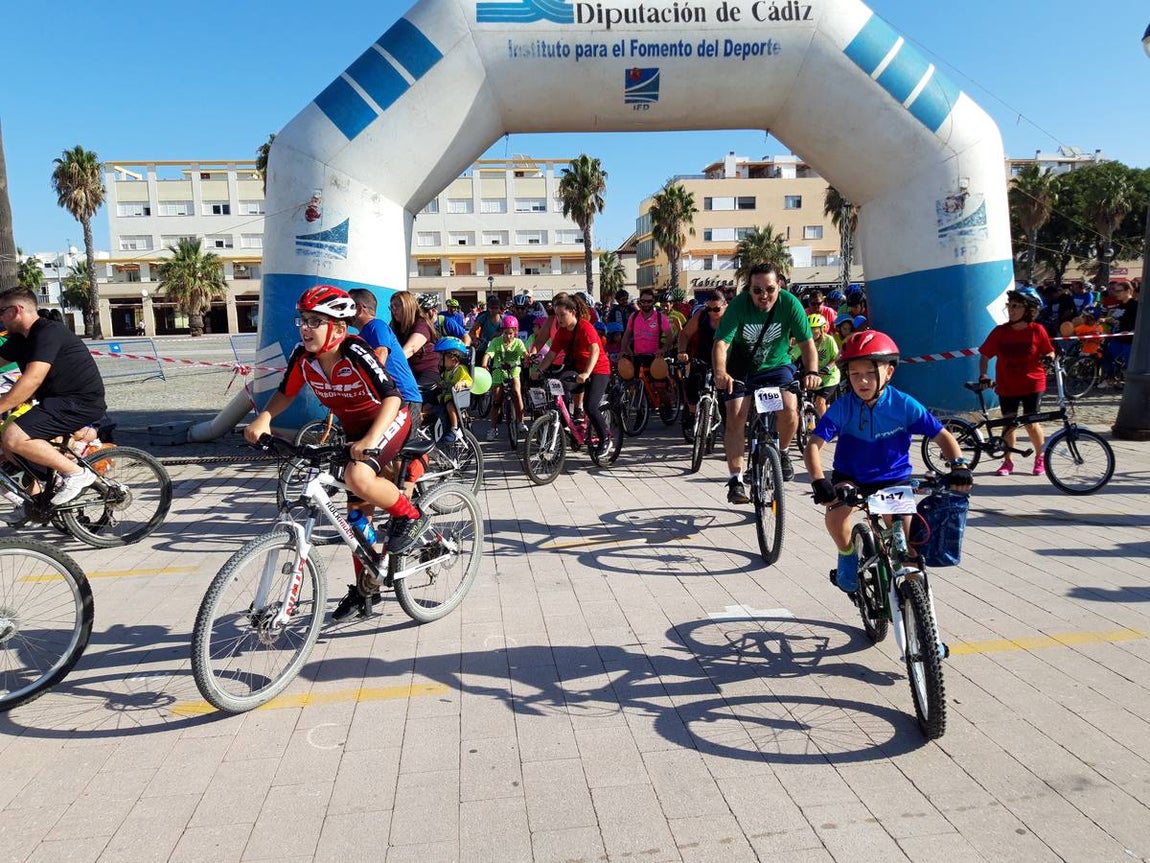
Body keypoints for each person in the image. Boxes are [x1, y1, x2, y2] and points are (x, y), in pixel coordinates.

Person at [244, 285, 427, 619]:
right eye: (303, 320)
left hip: (388, 419)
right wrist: (264, 418)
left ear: (339, 328)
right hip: (354, 430)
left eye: (315, 321)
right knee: (356, 516)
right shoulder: (303, 357)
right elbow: (285, 393)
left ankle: (410, 516)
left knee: (357, 476)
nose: (305, 327)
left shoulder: (354, 350)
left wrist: (370, 439)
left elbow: (392, 397)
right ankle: (365, 589)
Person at [804, 330, 973, 592]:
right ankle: (847, 555)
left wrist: (959, 465)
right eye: (854, 374)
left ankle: (917, 602)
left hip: (893, 479)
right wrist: (818, 481)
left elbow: (942, 435)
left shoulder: (904, 404)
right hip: (851, 478)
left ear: (889, 372)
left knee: (908, 547)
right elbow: (813, 445)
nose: (862, 380)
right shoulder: (843, 406)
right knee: (835, 518)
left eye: (870, 373)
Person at [713, 264, 820, 501]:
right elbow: (721, 344)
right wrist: (720, 372)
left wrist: (812, 371)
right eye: (757, 290)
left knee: (789, 406)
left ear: (779, 286)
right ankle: (735, 480)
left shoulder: (789, 304)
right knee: (736, 414)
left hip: (776, 366)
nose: (764, 295)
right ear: (748, 290)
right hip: (742, 367)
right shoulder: (738, 306)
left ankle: (783, 452)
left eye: (770, 289)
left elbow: (807, 344)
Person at [0, 288, 107, 505]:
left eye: (1, 311)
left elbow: (32, 379)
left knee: (13, 436)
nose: (0, 318)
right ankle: (37, 501)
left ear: (17, 310)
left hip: (80, 402)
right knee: (7, 444)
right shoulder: (22, 338)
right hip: (55, 403)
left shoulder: (48, 332)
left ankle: (77, 474)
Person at [977, 286, 1055, 477]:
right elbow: (985, 355)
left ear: (1028, 310)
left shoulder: (1037, 330)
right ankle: (1007, 461)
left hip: (1032, 383)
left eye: (1016, 306)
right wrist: (984, 375)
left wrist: (1049, 358)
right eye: (1009, 305)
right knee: (1009, 423)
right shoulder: (1000, 331)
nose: (1011, 310)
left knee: (1031, 422)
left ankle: (1040, 457)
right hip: (1007, 384)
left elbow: (1049, 351)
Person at [533, 293, 611, 454]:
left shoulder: (585, 327)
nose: (559, 319)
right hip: (578, 368)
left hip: (598, 370)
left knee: (590, 406)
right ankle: (571, 426)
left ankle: (605, 439)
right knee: (560, 387)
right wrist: (539, 370)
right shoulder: (562, 332)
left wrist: (587, 373)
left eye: (562, 315)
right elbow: (551, 354)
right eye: (557, 315)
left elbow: (595, 350)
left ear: (572, 312)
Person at [348, 288, 422, 415]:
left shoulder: (377, 326)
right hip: (387, 398)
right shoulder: (362, 335)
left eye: (348, 306)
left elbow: (381, 354)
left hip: (404, 398)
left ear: (359, 309)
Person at [676, 288, 726, 427]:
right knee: (693, 381)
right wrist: (682, 351)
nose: (712, 313)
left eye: (716, 309)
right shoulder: (702, 315)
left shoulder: (731, 317)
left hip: (725, 359)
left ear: (724, 305)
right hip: (703, 355)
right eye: (708, 309)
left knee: (726, 395)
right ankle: (693, 414)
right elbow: (685, 334)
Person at [483, 315, 529, 440]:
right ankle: (493, 428)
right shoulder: (496, 342)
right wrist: (484, 364)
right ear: (502, 331)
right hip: (498, 371)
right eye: (505, 333)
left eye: (510, 333)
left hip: (514, 370)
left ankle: (521, 422)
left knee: (517, 392)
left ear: (515, 332)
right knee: (497, 400)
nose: (508, 336)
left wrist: (527, 359)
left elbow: (524, 353)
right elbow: (488, 354)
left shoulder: (518, 342)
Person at [391, 292, 443, 399]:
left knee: (407, 396)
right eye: (392, 306)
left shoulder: (421, 324)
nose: (394, 309)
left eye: (397, 305)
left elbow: (411, 348)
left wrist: (386, 363)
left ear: (408, 306)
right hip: (407, 372)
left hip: (428, 372)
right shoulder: (394, 326)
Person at [795, 313, 840, 417]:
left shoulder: (829, 340)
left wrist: (827, 367)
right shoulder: (805, 341)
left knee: (820, 401)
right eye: (809, 329)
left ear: (822, 329)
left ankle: (824, 425)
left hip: (829, 377)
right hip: (812, 376)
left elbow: (836, 357)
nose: (812, 332)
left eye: (815, 329)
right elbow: (793, 355)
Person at [620, 288, 673, 374]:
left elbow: (670, 337)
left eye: (649, 301)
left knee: (656, 381)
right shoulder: (634, 316)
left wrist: (663, 349)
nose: (646, 304)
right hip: (637, 357)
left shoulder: (660, 318)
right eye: (643, 301)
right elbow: (626, 335)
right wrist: (623, 350)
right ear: (640, 302)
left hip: (654, 358)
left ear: (653, 301)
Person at [434, 337, 472, 445]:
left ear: (453, 359)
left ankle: (454, 428)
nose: (440, 360)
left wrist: (462, 383)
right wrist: (440, 385)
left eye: (443, 358)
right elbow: (446, 382)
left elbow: (469, 380)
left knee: (449, 406)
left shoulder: (460, 369)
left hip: (454, 398)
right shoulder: (447, 371)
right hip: (446, 396)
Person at [1103, 280, 1138, 382]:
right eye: (1115, 291)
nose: (1116, 293)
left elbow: (1141, 322)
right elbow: (1115, 318)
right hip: (1117, 338)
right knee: (1108, 356)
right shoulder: (1121, 304)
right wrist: (1104, 320)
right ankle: (1111, 378)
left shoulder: (1135, 304)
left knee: (1128, 363)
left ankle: (1128, 383)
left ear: (1128, 291)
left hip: (1129, 341)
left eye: (1119, 291)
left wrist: (1132, 331)